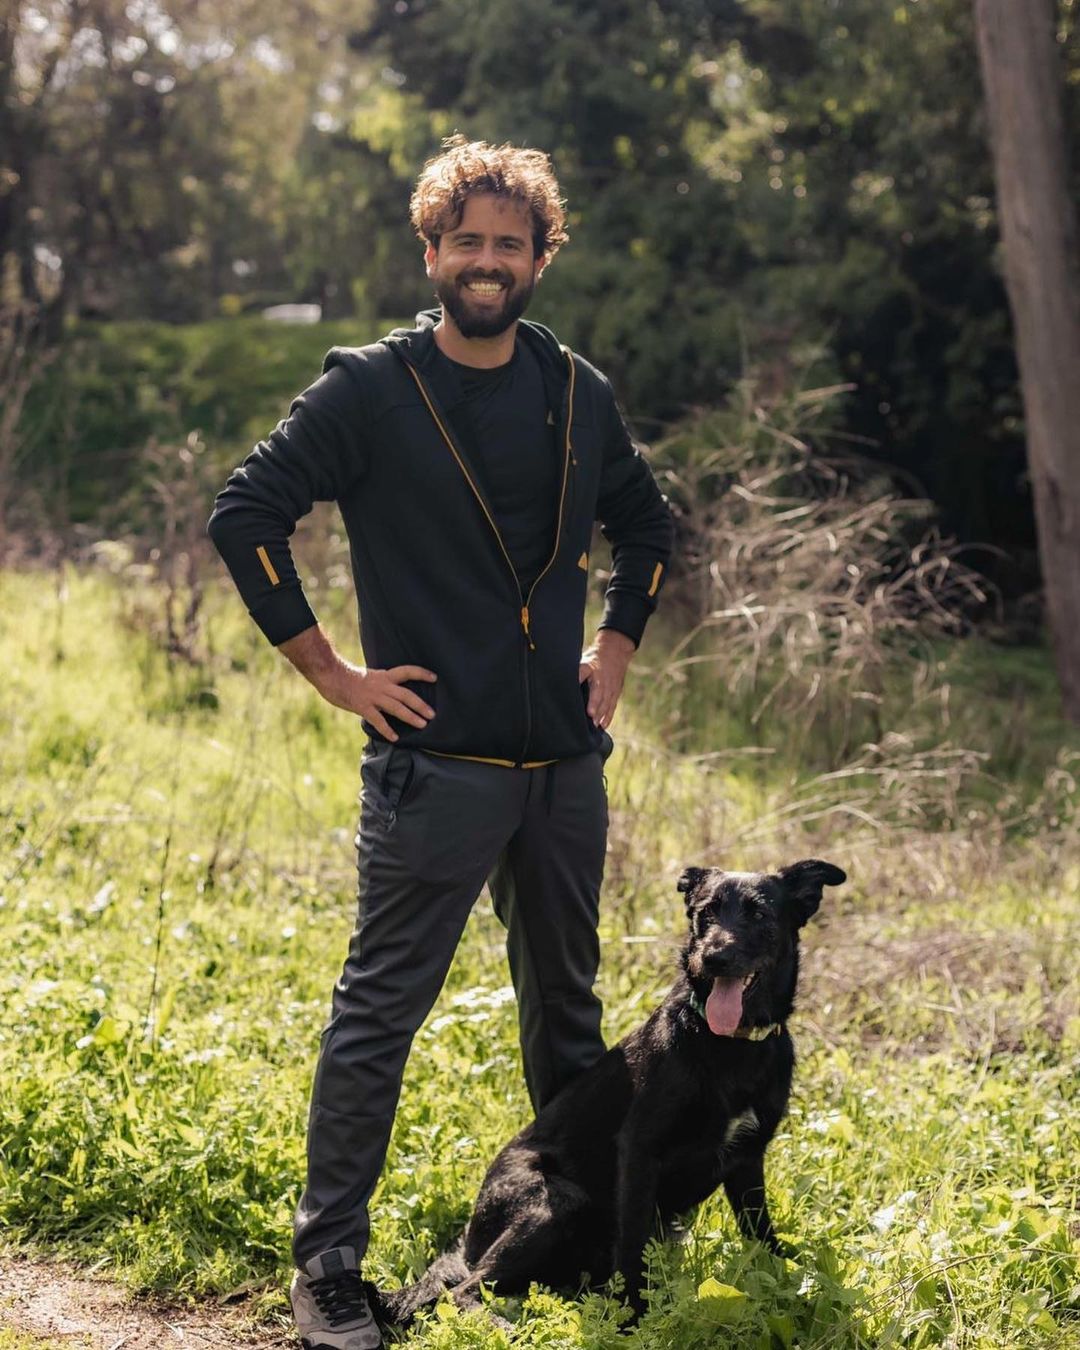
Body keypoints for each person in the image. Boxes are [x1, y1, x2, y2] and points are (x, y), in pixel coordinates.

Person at [207, 136, 674, 1350]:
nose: (485, 261)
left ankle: (574, 1242)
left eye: (508, 244)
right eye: (464, 240)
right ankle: (328, 1274)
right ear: (430, 253)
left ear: (537, 261)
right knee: (380, 1017)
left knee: (569, 1022)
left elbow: (647, 524)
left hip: (563, 773)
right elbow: (246, 511)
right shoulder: (370, 388)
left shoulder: (580, 393)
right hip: (434, 771)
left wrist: (615, 645)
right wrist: (333, 673)